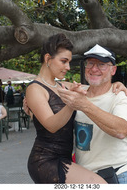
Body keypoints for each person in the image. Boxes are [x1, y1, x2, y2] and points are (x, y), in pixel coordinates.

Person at [25, 34, 107, 183]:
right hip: (45, 161)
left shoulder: (64, 86)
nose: (68, 67)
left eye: (69, 62)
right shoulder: (35, 89)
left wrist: (117, 86)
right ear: (48, 59)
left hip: (64, 158)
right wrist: (72, 103)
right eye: (64, 61)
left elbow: (98, 89)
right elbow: (51, 125)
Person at [57, 44, 127, 184]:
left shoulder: (121, 96)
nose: (94, 69)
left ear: (113, 70)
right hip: (84, 177)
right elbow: (48, 84)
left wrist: (85, 105)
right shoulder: (79, 91)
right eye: (90, 63)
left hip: (116, 176)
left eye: (101, 64)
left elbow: (122, 130)